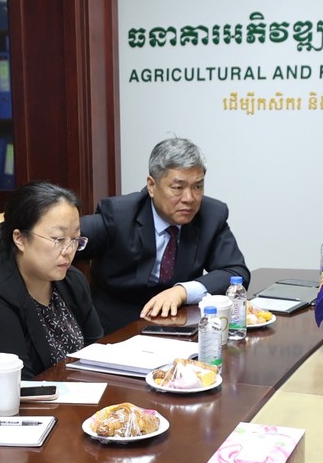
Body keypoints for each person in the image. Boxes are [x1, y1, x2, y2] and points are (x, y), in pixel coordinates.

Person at [0, 182, 103, 396]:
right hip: (3, 410)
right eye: (58, 239)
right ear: (19, 238)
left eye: (75, 240)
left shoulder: (72, 280)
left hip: (72, 399)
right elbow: (20, 388)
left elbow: (95, 352)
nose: (68, 251)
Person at [77, 136, 249, 332]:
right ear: (152, 186)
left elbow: (236, 272)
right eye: (177, 188)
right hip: (114, 330)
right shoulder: (118, 215)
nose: (189, 198)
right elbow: (62, 241)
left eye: (197, 186)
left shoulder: (211, 215)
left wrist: (183, 291)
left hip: (178, 327)